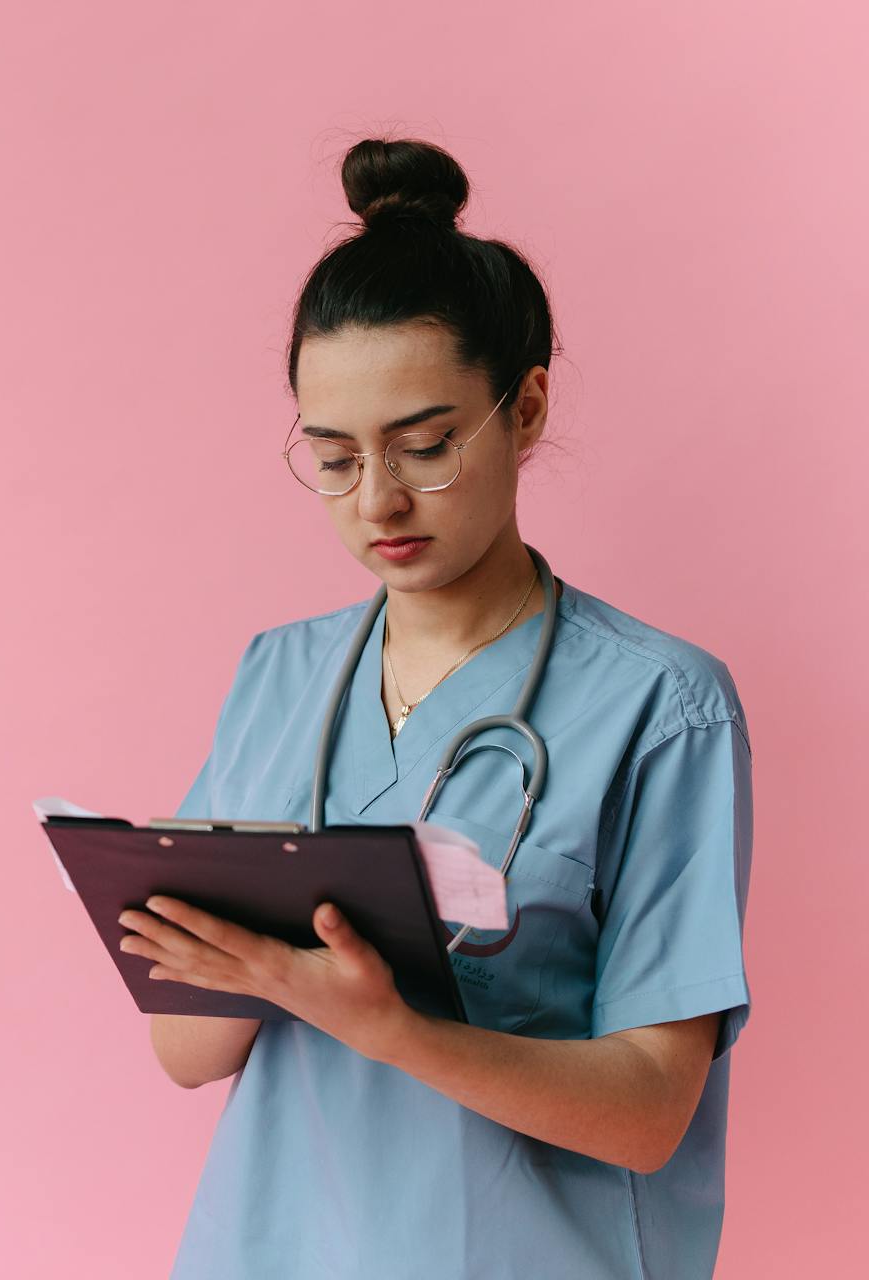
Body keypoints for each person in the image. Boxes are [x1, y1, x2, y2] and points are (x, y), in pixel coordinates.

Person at [119, 138, 753, 1279]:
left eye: (426, 445)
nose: (381, 500)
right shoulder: (280, 675)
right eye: (334, 458)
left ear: (525, 409)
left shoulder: (664, 705)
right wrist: (251, 964)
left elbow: (654, 1106)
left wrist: (388, 1022)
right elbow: (185, 1049)